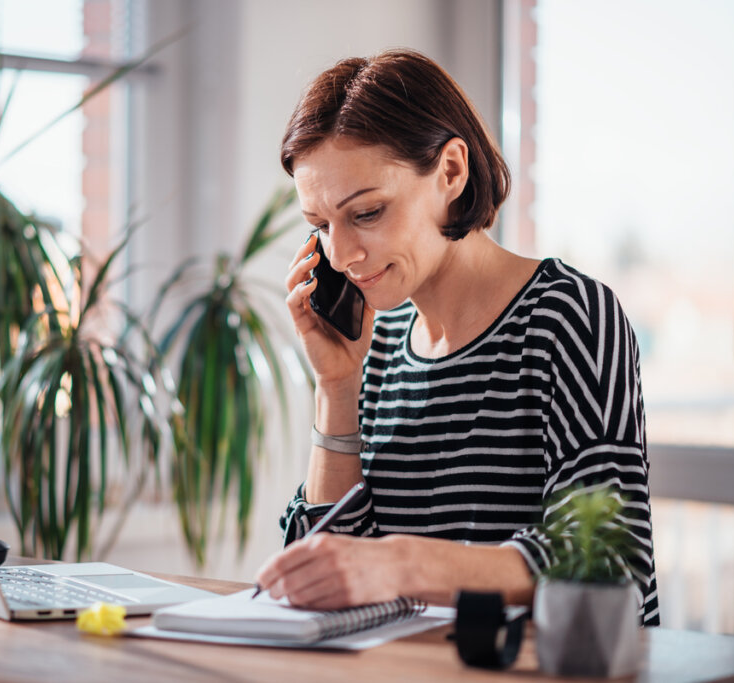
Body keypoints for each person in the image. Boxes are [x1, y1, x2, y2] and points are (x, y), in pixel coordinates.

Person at [252, 49, 659, 626]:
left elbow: (607, 558)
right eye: (320, 225)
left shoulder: (567, 316)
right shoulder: (377, 344)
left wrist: (403, 564)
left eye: (366, 212)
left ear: (450, 172)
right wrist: (336, 389)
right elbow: (326, 570)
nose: (340, 255)